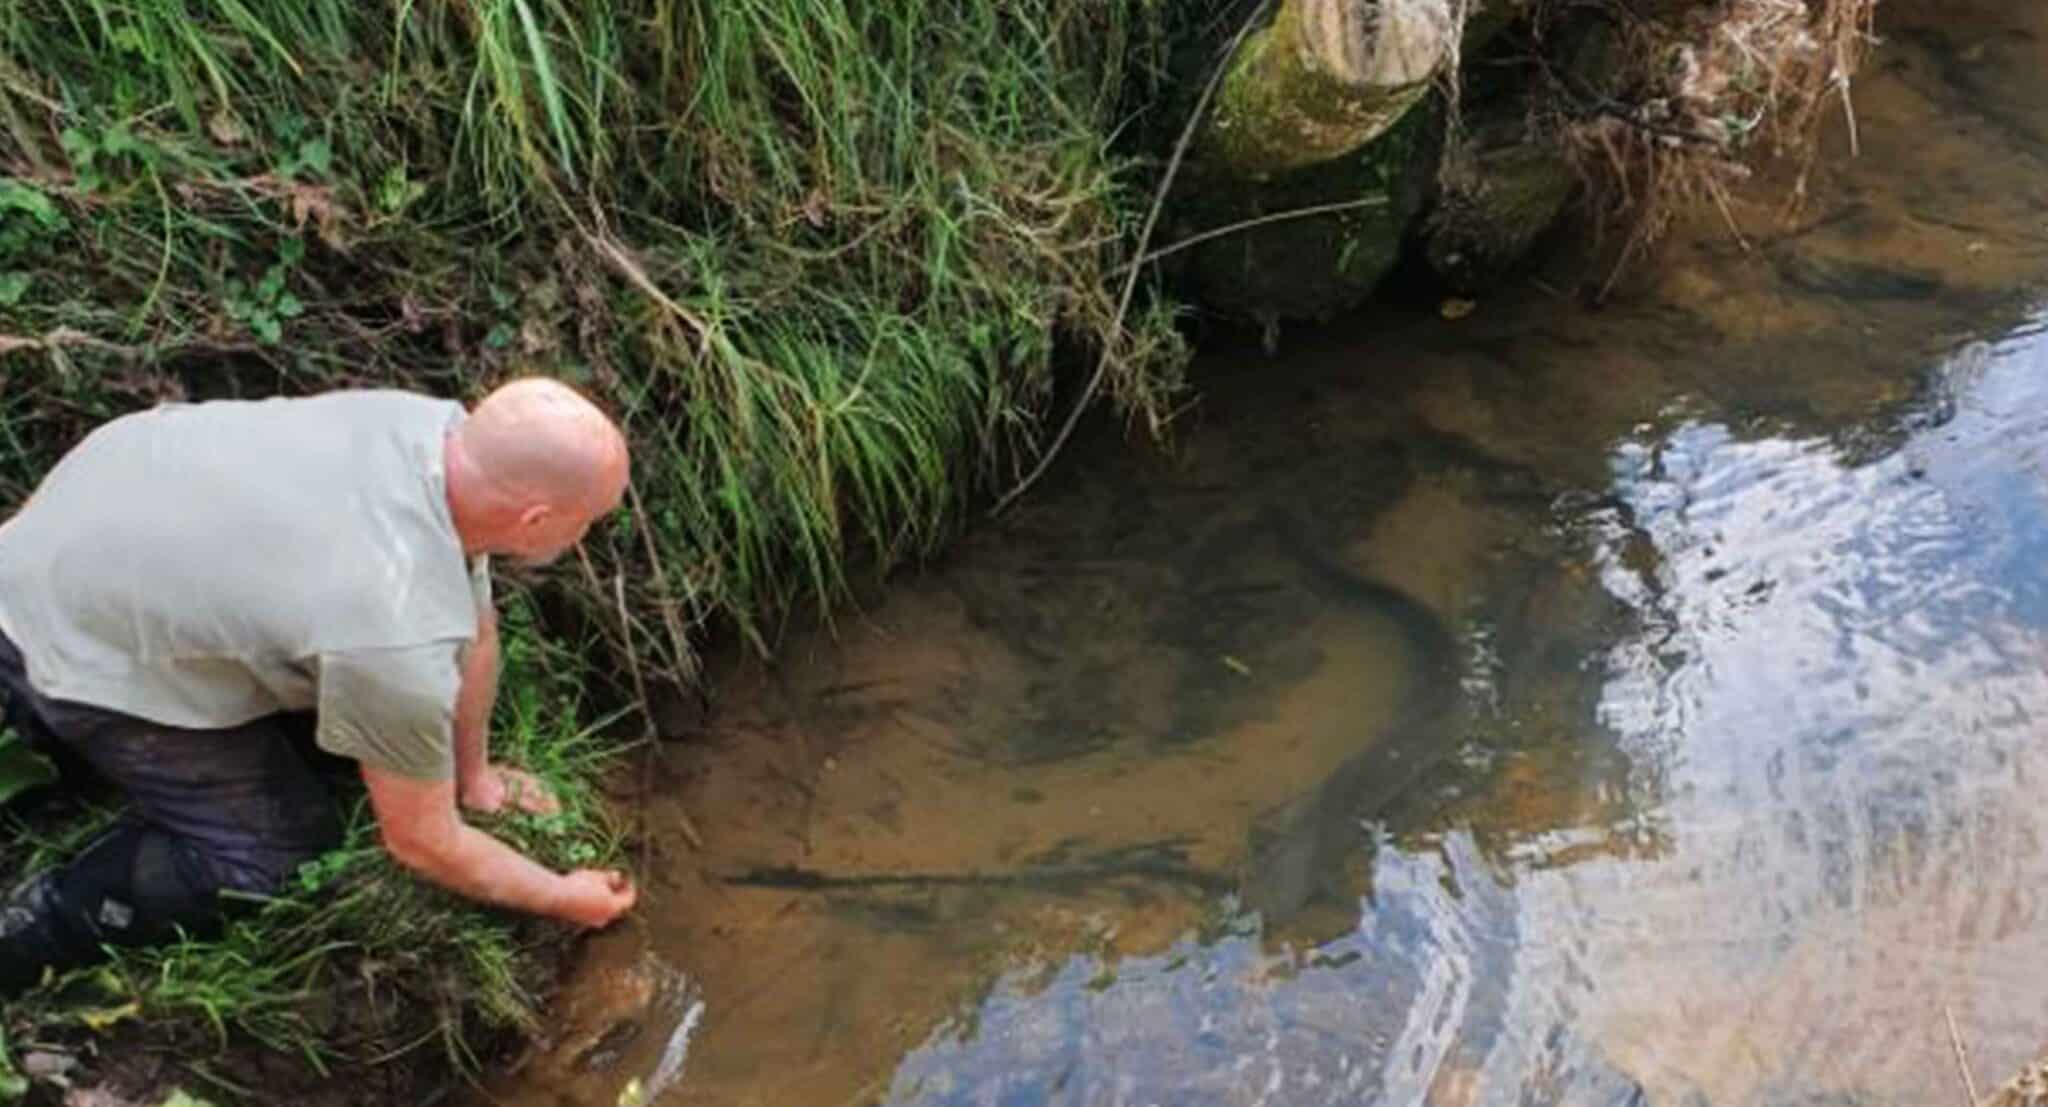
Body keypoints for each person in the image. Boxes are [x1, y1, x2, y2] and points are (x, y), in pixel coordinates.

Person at [0, 377, 639, 991]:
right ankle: (42, 925)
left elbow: (476, 632)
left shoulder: (425, 428)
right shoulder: (393, 631)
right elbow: (421, 844)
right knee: (276, 851)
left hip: (89, 509)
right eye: (585, 522)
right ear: (532, 520)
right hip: (61, 633)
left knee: (337, 741)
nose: (585, 538)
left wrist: (477, 779)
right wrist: (561, 896)